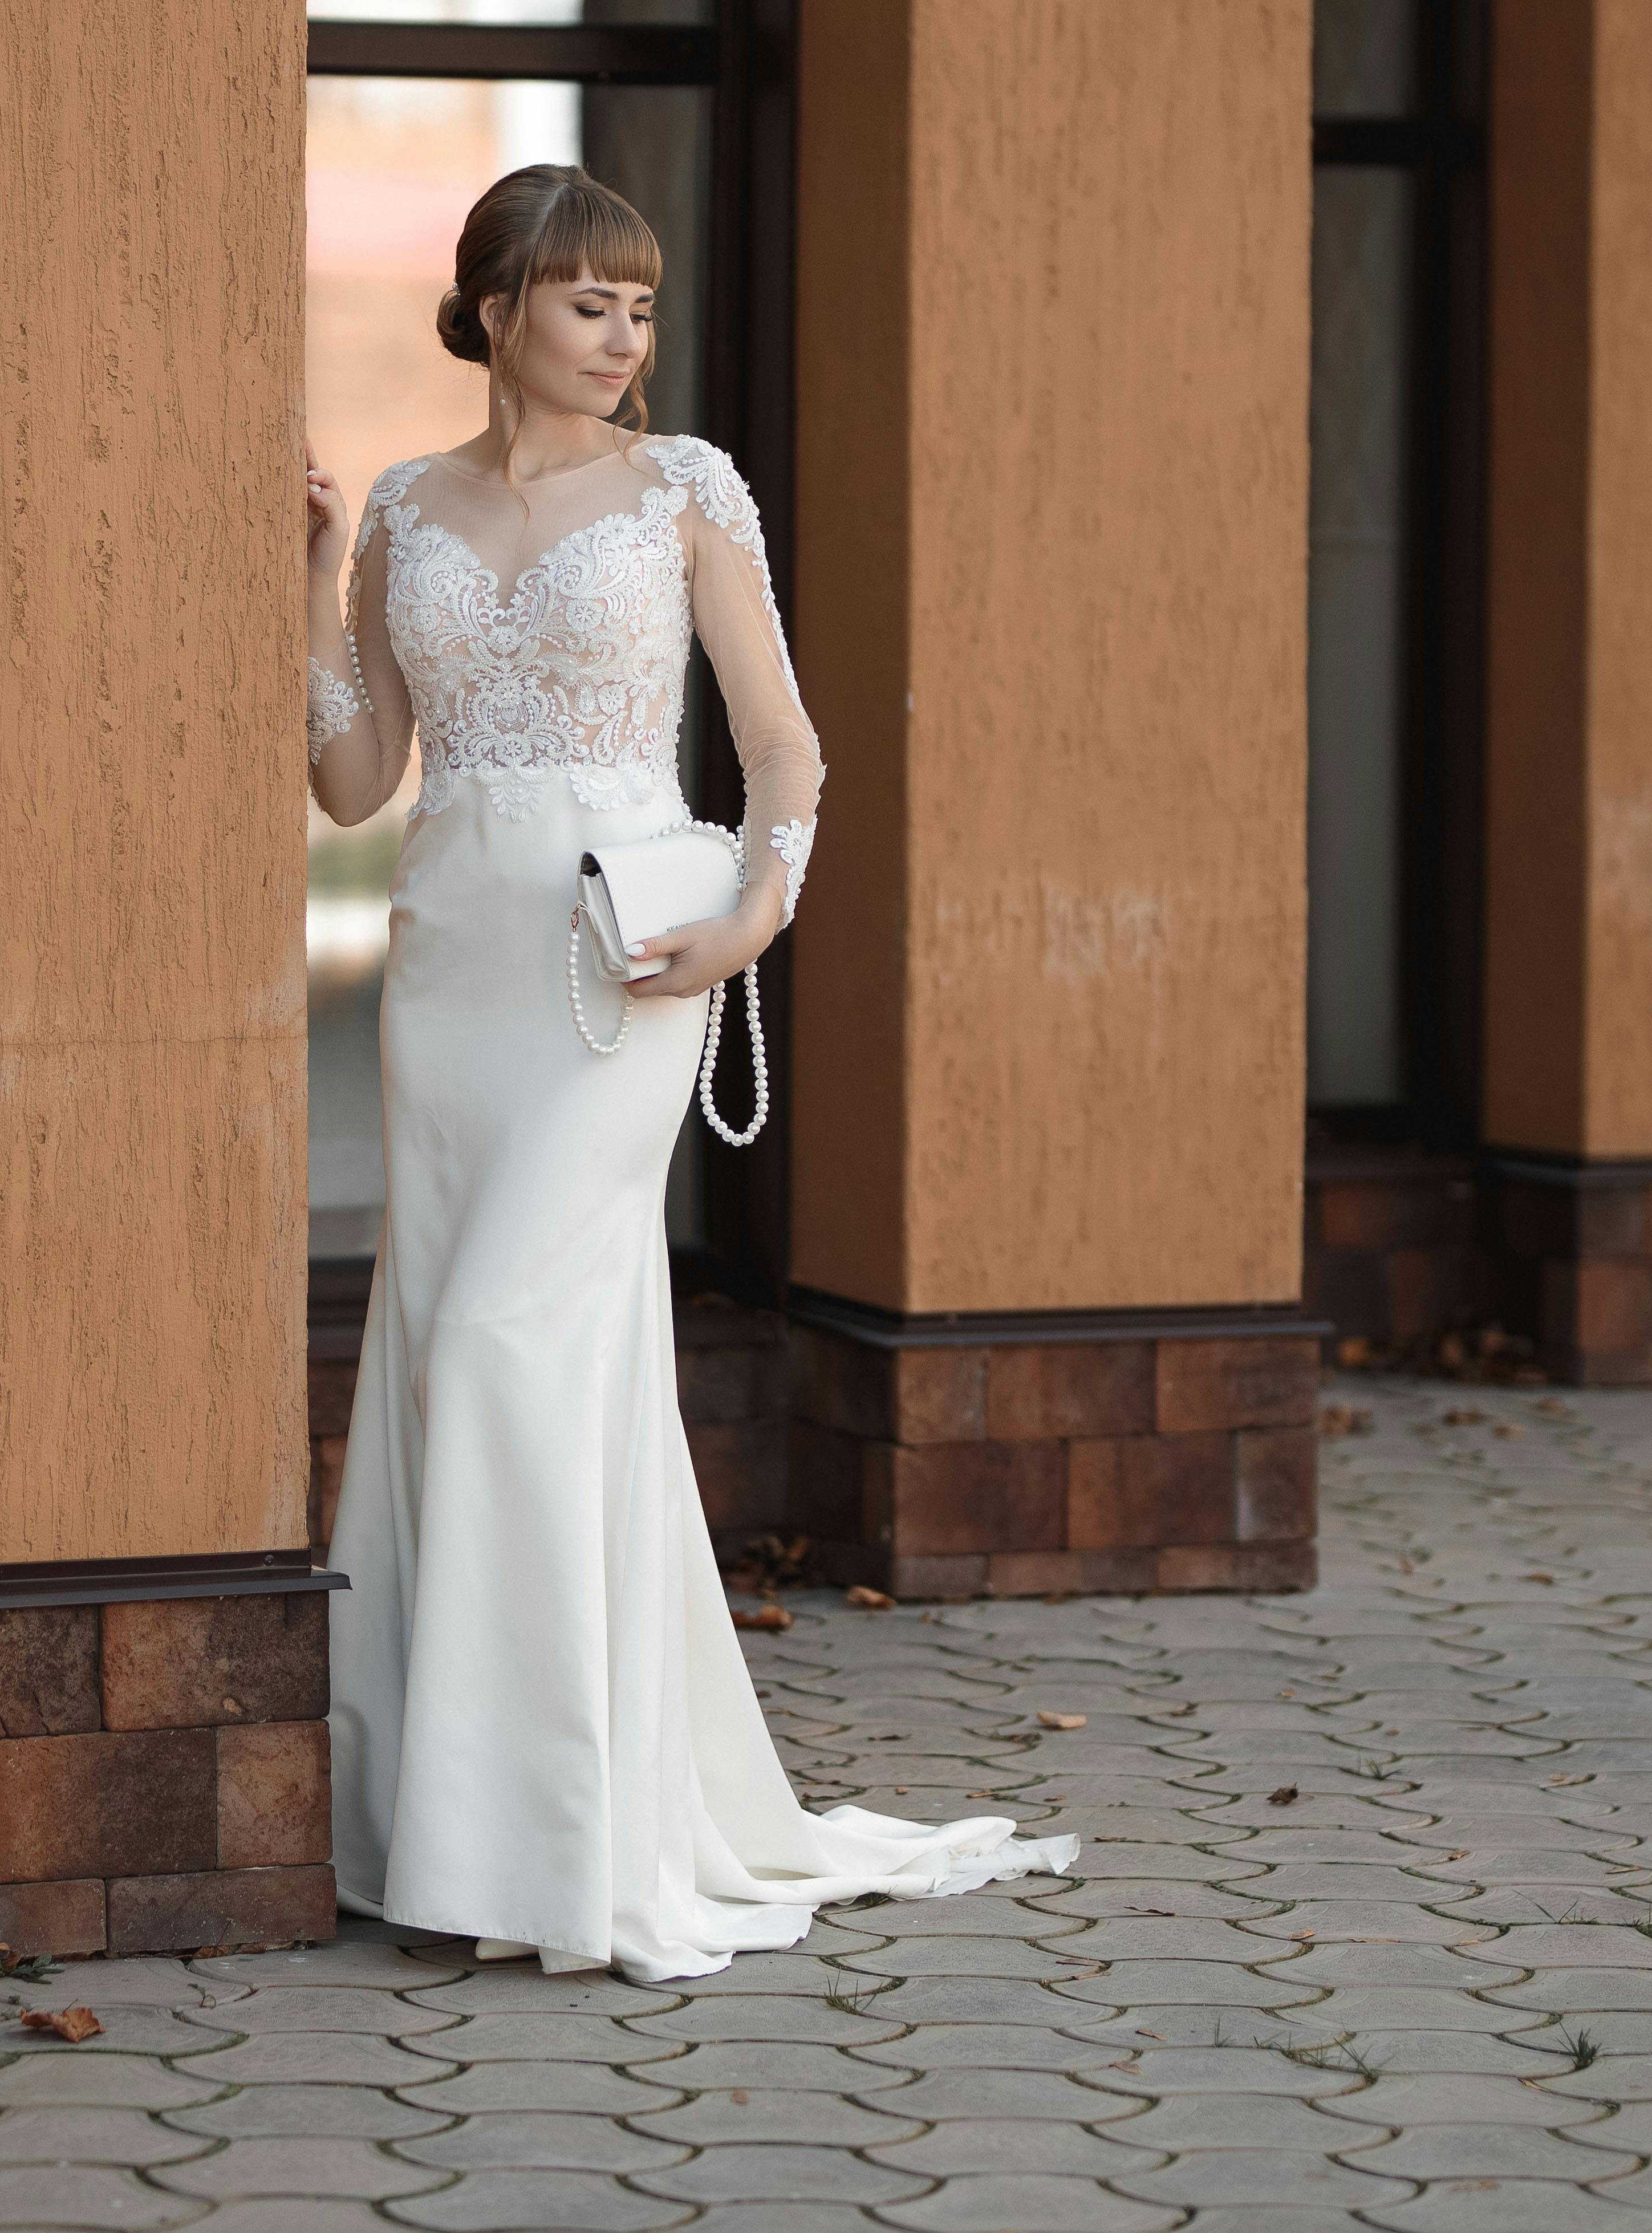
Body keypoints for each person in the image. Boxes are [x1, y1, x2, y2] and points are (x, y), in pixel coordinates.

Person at [303, 164, 1075, 1980]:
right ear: (497, 310)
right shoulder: (407, 509)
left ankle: (561, 1845)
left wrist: (747, 930)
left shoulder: (686, 492)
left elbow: (788, 752)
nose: (624, 336)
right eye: (589, 302)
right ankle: (456, 1828)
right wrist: (310, 578)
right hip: (452, 974)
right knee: (457, 1361)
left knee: (504, 1335)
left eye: (640, 306)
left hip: (618, 970)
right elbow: (353, 786)